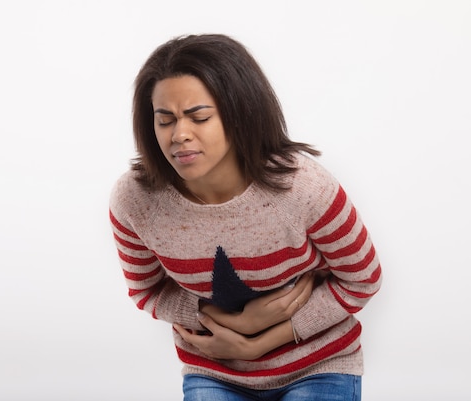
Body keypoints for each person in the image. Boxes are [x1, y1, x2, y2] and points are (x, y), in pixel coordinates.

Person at [109, 33, 382, 401]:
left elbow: (363, 278)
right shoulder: (134, 200)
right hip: (214, 370)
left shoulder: (302, 186)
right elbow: (147, 291)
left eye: (199, 117)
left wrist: (265, 337)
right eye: (165, 120)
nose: (180, 134)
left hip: (318, 365)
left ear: (240, 114)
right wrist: (223, 320)